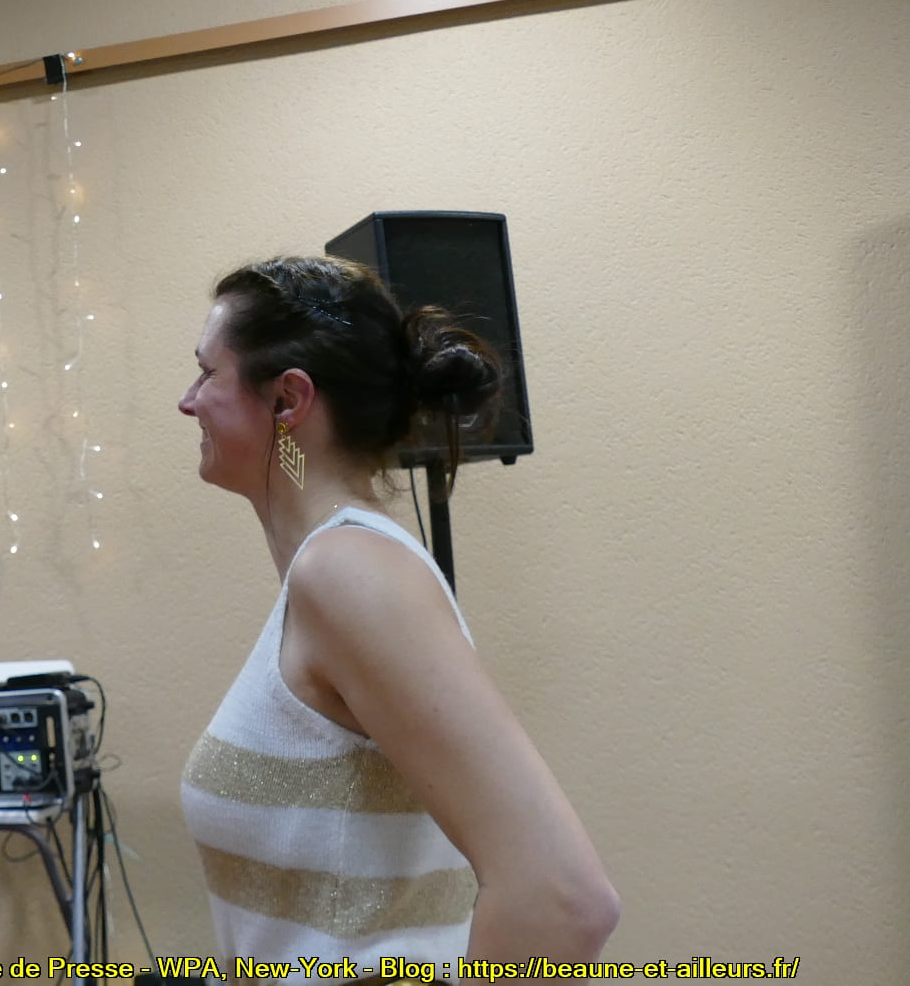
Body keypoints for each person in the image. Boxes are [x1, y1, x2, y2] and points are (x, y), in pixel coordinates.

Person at [176, 255, 620, 970]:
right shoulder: (332, 573)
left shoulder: (348, 573)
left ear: (288, 400)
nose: (187, 401)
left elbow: (565, 899)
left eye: (206, 373)